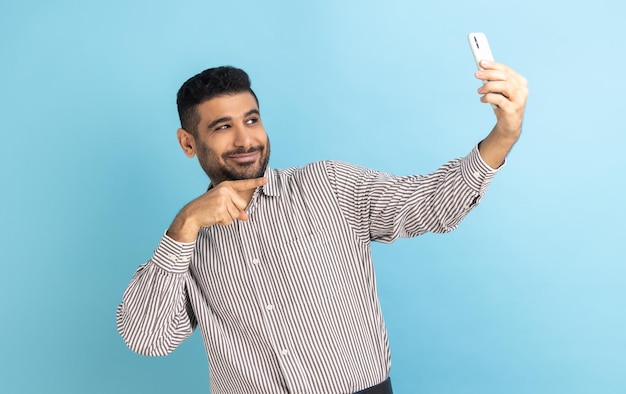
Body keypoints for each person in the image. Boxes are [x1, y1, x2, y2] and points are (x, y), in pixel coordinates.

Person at [116, 62, 528, 394]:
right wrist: (185, 224)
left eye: (252, 120)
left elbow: (429, 204)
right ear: (188, 143)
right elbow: (147, 338)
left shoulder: (328, 185)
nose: (246, 139)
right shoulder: (186, 242)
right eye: (222, 127)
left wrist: (502, 135)